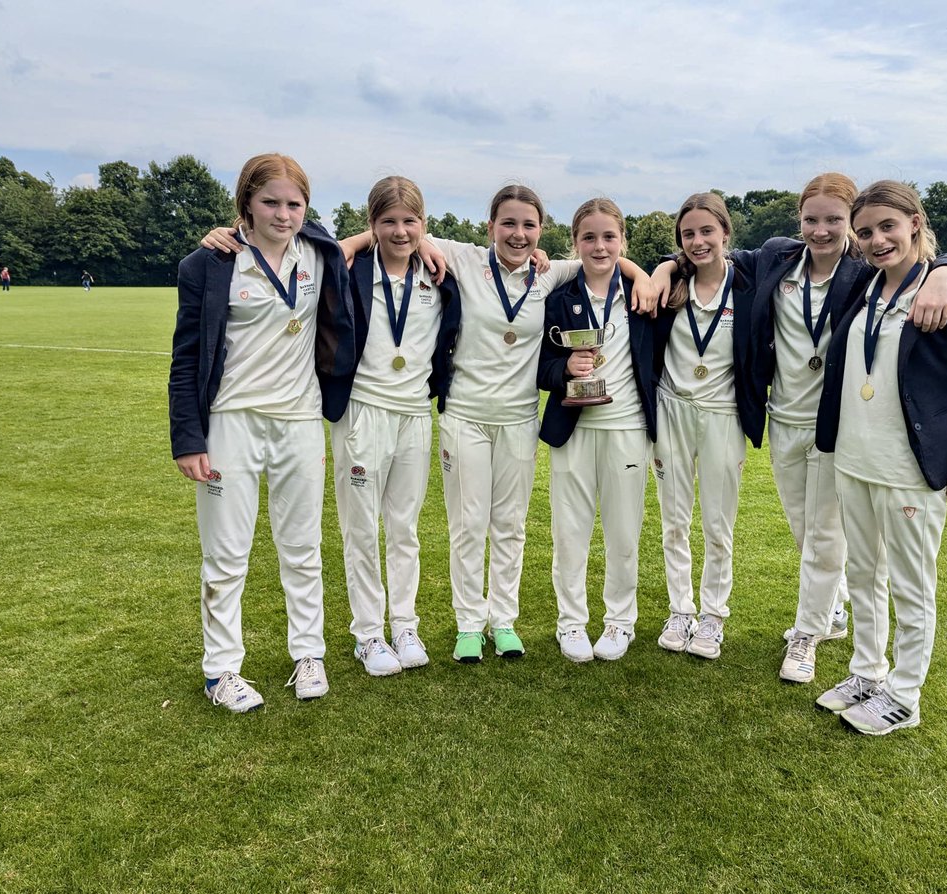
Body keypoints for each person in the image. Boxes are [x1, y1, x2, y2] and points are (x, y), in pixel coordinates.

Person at [653, 175, 947, 682]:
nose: (821, 230)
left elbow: (925, 262)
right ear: (798, 221)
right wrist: (658, 266)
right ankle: (833, 605)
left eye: (833, 220)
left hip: (837, 428)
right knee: (806, 532)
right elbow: (706, 251)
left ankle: (805, 634)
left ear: (850, 223)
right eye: (811, 219)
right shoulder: (775, 259)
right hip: (783, 421)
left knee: (825, 537)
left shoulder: (864, 270)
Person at [343, 185, 657, 663]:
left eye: (529, 225)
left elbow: (607, 260)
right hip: (465, 417)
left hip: (519, 420)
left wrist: (649, 274)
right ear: (490, 227)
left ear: (542, 232)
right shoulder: (464, 258)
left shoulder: (551, 275)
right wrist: (354, 243)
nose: (518, 234)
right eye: (508, 224)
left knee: (509, 526)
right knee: (468, 525)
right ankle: (469, 624)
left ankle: (503, 621)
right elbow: (402, 232)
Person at [813, 180, 947, 734]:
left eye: (888, 227)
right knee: (863, 574)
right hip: (853, 460)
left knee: (911, 584)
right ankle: (867, 673)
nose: (877, 240)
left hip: (909, 470)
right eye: (867, 231)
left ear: (915, 225)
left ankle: (904, 694)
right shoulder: (861, 286)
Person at [169, 152, 357, 713]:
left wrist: (415, 240)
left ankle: (309, 654)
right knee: (226, 554)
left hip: (299, 420)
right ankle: (220, 670)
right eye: (270, 202)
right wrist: (188, 438)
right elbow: (186, 358)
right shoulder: (206, 264)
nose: (283, 214)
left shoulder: (321, 252)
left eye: (294, 203)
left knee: (302, 547)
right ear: (245, 204)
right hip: (231, 422)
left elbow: (388, 231)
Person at [329, 178, 458, 676]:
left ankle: (404, 623)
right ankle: (368, 634)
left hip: (414, 414)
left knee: (404, 527)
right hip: (364, 411)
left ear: (424, 225)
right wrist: (358, 242)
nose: (400, 232)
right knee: (361, 527)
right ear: (372, 225)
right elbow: (308, 243)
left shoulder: (439, 274)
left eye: (410, 222)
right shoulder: (350, 268)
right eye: (388, 222)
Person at [536, 199, 658, 662]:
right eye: (589, 237)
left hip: (627, 426)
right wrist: (565, 367)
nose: (600, 245)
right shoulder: (558, 298)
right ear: (575, 243)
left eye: (609, 236)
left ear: (622, 241)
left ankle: (619, 621)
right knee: (570, 531)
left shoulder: (646, 295)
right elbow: (538, 367)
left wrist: (648, 274)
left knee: (623, 532)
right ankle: (570, 623)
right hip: (574, 427)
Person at [647, 194, 754, 660]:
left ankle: (712, 615)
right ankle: (680, 609)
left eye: (707, 231)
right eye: (688, 234)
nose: (697, 241)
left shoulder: (748, 285)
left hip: (722, 414)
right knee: (674, 519)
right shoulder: (670, 286)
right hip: (671, 408)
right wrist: (663, 269)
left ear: (725, 234)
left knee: (717, 522)